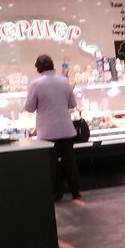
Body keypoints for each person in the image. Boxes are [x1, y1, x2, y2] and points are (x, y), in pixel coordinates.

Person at [24, 54, 82, 201]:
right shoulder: (64, 81)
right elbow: (72, 104)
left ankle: (58, 193)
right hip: (66, 129)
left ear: (38, 68)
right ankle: (75, 192)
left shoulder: (35, 84)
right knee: (70, 161)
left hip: (48, 132)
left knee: (52, 164)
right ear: (52, 65)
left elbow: (29, 108)